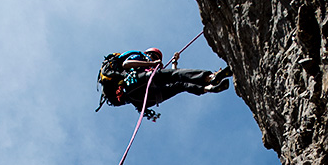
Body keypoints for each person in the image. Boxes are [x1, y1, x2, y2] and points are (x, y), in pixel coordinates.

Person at [96, 48, 232, 116]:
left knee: (180, 85)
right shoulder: (141, 56)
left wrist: (174, 62)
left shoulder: (149, 65)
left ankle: (208, 87)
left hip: (144, 97)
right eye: (154, 55)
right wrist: (151, 62)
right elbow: (126, 64)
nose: (154, 58)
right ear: (148, 53)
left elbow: (175, 77)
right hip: (134, 83)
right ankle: (209, 77)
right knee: (172, 77)